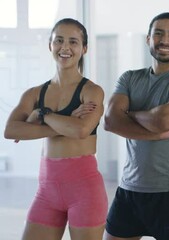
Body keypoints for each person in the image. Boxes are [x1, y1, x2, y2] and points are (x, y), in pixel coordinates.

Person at [103, 12, 169, 240]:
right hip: (129, 187)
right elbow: (110, 121)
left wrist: (129, 114)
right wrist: (154, 134)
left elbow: (165, 121)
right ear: (148, 39)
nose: (164, 40)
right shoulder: (129, 78)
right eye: (158, 33)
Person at [3, 18, 107, 240]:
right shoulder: (34, 93)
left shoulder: (92, 92)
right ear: (50, 45)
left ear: (84, 48)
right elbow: (11, 130)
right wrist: (65, 122)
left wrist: (42, 115)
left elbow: (81, 131)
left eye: (73, 41)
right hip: (47, 192)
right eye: (58, 40)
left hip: (85, 190)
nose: (65, 47)